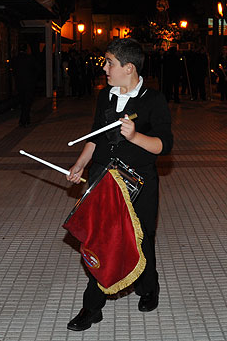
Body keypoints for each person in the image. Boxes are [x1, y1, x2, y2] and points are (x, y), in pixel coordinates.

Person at [66, 38, 173, 331]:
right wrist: (80, 163)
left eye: (109, 62)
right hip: (105, 179)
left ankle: (148, 286)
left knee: (142, 238)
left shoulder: (153, 100)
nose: (104, 68)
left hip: (139, 181)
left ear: (128, 68)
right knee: (102, 239)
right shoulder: (105, 96)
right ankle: (92, 306)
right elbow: (96, 135)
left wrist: (135, 136)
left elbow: (164, 145)